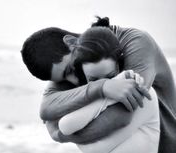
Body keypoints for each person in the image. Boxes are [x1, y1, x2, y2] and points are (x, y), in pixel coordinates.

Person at [21, 17, 176, 153]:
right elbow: (47, 109)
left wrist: (59, 134)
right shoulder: (74, 64)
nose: (73, 81)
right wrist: (101, 87)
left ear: (71, 43)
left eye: (69, 70)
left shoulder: (136, 42)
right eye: (64, 79)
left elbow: (121, 115)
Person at [55, 27, 160, 153]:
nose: (107, 85)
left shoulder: (143, 93)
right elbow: (65, 126)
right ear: (83, 73)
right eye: (94, 80)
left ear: (118, 65)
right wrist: (105, 90)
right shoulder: (93, 95)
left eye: (110, 77)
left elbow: (93, 150)